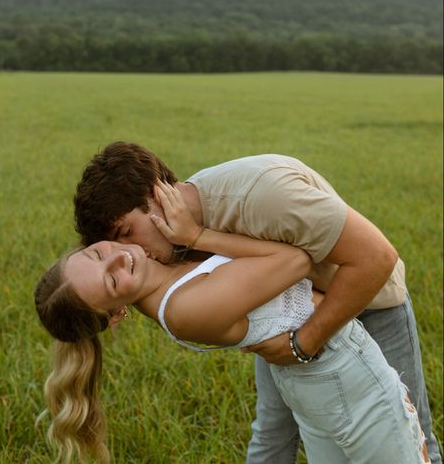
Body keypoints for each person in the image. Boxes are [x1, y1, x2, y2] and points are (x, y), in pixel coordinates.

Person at [73, 141, 441, 464]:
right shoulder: (177, 229)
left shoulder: (261, 196)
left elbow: (377, 258)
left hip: (366, 300)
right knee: (273, 433)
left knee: (416, 439)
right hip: (286, 315)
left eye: (127, 233)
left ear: (156, 195)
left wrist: (302, 344)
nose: (134, 252)